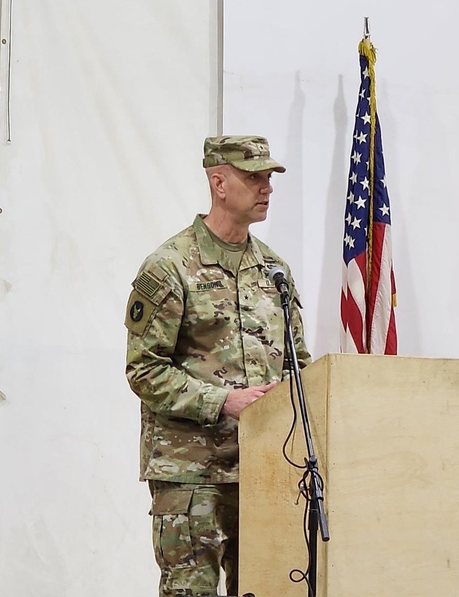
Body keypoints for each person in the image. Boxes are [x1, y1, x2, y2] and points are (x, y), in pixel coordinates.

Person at [125, 135, 310, 597]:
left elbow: (298, 366)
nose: (266, 188)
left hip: (263, 468)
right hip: (191, 473)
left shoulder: (274, 270)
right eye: (253, 177)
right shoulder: (170, 267)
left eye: (269, 178)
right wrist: (223, 402)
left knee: (265, 589)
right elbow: (145, 370)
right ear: (219, 182)